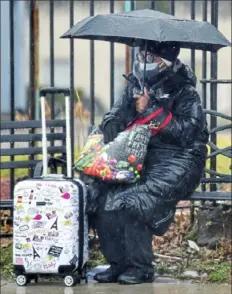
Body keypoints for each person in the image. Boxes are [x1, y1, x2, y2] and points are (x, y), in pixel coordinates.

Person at [86, 41, 209, 285]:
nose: (145, 61)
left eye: (152, 57)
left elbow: (188, 132)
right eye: (143, 55)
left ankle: (140, 267)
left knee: (132, 200)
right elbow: (114, 115)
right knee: (99, 195)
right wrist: (115, 122)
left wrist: (150, 110)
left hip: (180, 161)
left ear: (167, 61)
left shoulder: (185, 92)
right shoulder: (135, 85)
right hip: (141, 158)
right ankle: (118, 263)